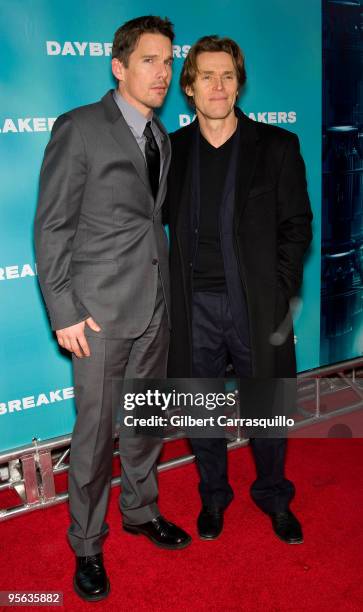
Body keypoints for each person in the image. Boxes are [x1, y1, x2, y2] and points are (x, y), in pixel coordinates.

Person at [34, 16, 191, 603]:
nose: (162, 72)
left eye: (168, 61)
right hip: (97, 313)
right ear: (118, 66)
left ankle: (141, 510)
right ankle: (87, 544)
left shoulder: (162, 136)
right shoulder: (79, 128)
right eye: (150, 60)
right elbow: (52, 227)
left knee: (145, 423)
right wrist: (64, 311)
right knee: (97, 435)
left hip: (154, 306)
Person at [166, 36, 312, 544]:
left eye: (227, 75)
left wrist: (278, 292)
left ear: (239, 82)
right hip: (193, 307)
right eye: (206, 75)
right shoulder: (171, 151)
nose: (217, 85)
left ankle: (274, 496)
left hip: (256, 305)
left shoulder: (276, 147)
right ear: (189, 87)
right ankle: (213, 498)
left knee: (267, 410)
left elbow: (297, 225)